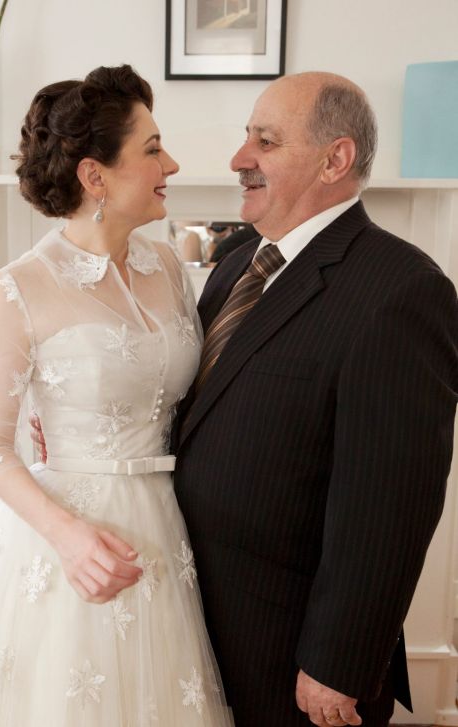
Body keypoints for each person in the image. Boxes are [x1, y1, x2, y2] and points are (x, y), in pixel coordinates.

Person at [0, 65, 232, 726]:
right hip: (62, 535)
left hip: (167, 526)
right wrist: (69, 538)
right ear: (96, 176)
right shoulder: (18, 288)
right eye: (152, 148)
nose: (171, 163)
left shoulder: (170, 271)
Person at [171, 72, 458, 726]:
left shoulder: (402, 289)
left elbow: (392, 504)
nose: (240, 159)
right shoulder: (235, 262)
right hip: (195, 623)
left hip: (294, 650)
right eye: (247, 137)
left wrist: (340, 659)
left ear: (336, 158)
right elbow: (201, 412)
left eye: (265, 141)